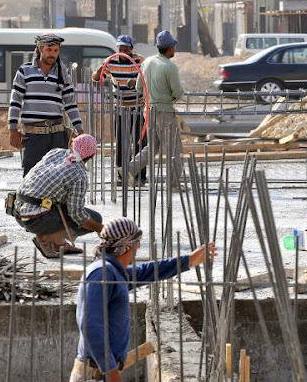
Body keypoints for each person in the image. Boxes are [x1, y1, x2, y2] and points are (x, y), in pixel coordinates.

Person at [69, 217, 216, 382]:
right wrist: (110, 370)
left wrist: (188, 260)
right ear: (128, 245)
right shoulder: (102, 273)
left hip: (99, 370)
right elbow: (90, 325)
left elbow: (147, 271)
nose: (138, 247)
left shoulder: (114, 271)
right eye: (137, 243)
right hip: (94, 373)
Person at [13, 134, 103, 258]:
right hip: (34, 219)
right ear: (91, 156)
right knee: (95, 218)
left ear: (72, 145)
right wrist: (102, 229)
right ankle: (45, 239)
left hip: (17, 209)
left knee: (58, 203)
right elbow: (77, 215)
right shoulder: (79, 175)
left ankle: (58, 244)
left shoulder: (56, 152)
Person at [8, 33, 84, 176]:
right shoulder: (25, 71)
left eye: (56, 51)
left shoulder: (63, 73)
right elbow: (15, 101)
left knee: (57, 175)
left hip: (57, 135)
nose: (52, 54)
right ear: (40, 48)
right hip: (33, 136)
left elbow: (70, 104)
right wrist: (13, 130)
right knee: (32, 175)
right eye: (49, 50)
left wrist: (80, 130)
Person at [125, 30, 184, 189]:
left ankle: (128, 170)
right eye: (174, 47)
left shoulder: (146, 63)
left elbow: (138, 88)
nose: (175, 50)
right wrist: (170, 99)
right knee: (174, 149)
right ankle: (173, 184)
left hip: (148, 110)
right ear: (170, 48)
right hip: (164, 111)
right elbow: (178, 92)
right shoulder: (169, 66)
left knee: (153, 146)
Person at [92, 35, 147, 185]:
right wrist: (98, 70)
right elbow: (96, 78)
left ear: (131, 49)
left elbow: (147, 77)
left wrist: (136, 82)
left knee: (139, 141)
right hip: (120, 107)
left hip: (137, 107)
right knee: (122, 142)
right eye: (120, 48)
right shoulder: (111, 61)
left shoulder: (140, 61)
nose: (122, 50)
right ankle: (122, 175)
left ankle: (139, 176)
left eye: (125, 48)